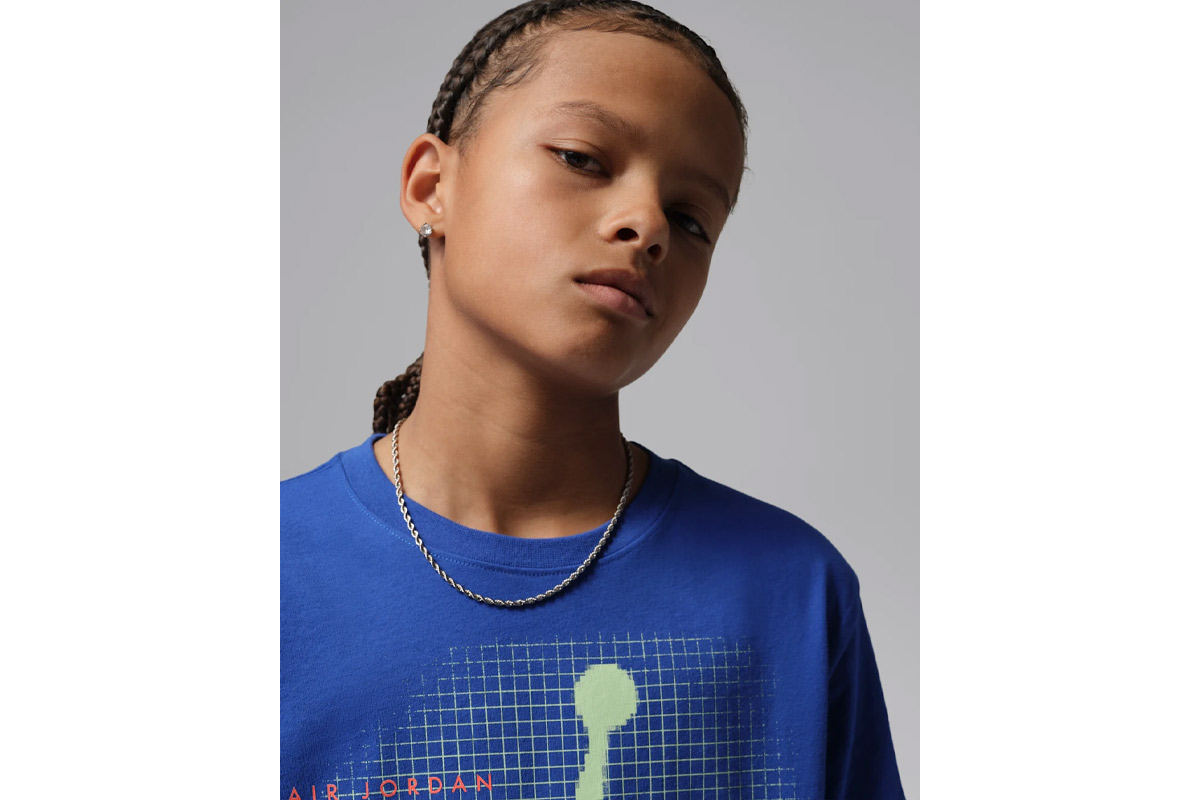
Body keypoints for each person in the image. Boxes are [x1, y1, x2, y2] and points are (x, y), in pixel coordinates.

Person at [281, 1, 905, 798]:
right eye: (581, 158)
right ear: (432, 186)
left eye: (690, 219)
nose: (647, 225)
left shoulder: (793, 594)